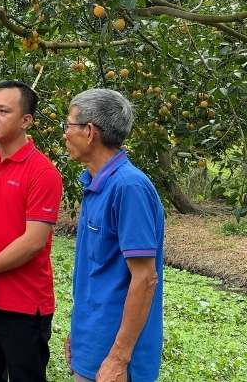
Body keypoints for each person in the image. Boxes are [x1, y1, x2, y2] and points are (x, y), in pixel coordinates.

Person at [0, 80, 64, 382]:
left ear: (25, 121)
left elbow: (34, 242)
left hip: (23, 306)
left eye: (3, 111)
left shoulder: (42, 172)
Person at [62, 88, 164, 382]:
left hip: (115, 361)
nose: (65, 134)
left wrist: (119, 357)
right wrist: (80, 336)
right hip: (92, 348)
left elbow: (145, 278)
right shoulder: (95, 184)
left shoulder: (129, 188)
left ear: (90, 131)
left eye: (68, 126)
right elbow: (97, 273)